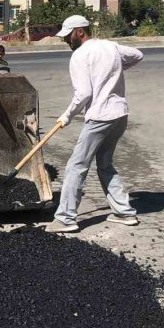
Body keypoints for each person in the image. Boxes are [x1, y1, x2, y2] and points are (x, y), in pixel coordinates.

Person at [44, 15, 143, 234]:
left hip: (100, 117)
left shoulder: (80, 55)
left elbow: (84, 94)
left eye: (68, 36)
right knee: (105, 163)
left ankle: (66, 218)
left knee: (77, 166)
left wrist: (66, 116)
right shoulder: (111, 46)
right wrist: (112, 71)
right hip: (119, 116)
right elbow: (137, 54)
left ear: (80, 32)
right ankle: (124, 212)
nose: (66, 41)